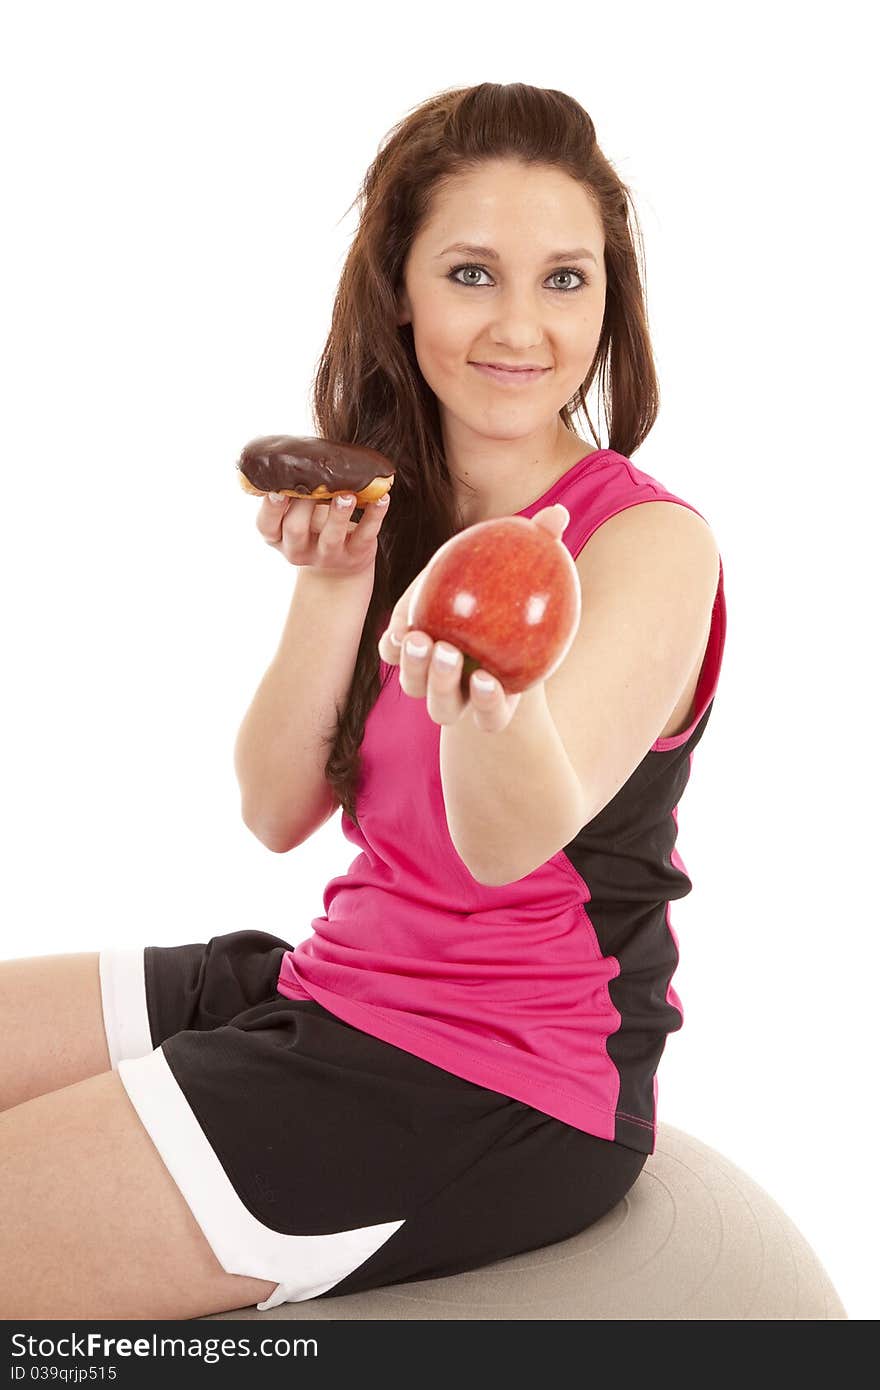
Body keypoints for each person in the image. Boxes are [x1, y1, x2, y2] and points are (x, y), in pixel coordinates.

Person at [0, 82, 726, 1320]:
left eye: (565, 279)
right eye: (469, 272)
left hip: (497, 1072)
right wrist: (335, 583)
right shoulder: (399, 515)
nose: (519, 325)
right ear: (401, 288)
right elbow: (274, 805)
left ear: (609, 302)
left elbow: (510, 842)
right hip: (333, 983)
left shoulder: (649, 545)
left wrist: (491, 714)